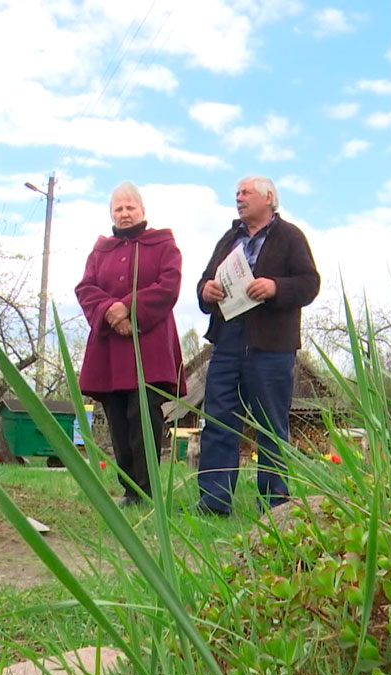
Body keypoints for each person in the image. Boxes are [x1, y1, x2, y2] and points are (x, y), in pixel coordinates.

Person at [194, 176, 320, 516]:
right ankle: (213, 501)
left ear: (269, 198)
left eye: (246, 193)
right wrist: (206, 291)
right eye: (236, 193)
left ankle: (275, 505)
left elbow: (310, 284)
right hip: (227, 342)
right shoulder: (229, 238)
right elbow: (204, 281)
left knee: (270, 426)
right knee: (218, 420)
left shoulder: (289, 237)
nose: (239, 198)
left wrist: (275, 287)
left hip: (271, 347)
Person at [76, 182, 187, 506]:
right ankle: (129, 491)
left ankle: (148, 492)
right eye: (118, 209)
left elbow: (168, 286)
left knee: (144, 418)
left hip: (148, 348)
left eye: (130, 208)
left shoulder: (164, 245)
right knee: (118, 422)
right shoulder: (100, 251)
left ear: (142, 211)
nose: (124, 214)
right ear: (111, 213)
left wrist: (128, 306)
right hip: (109, 350)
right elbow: (86, 288)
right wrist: (110, 313)